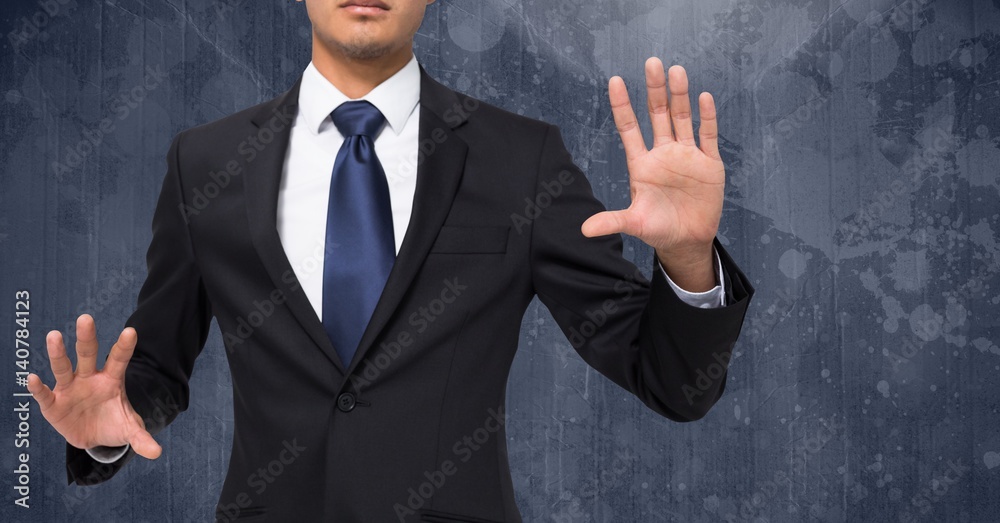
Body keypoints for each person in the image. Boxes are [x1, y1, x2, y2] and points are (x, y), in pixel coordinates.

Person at [27, 0, 754, 521]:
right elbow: (155, 364)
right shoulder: (205, 161)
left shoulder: (521, 159)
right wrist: (114, 424)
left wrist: (688, 257)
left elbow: (670, 380)